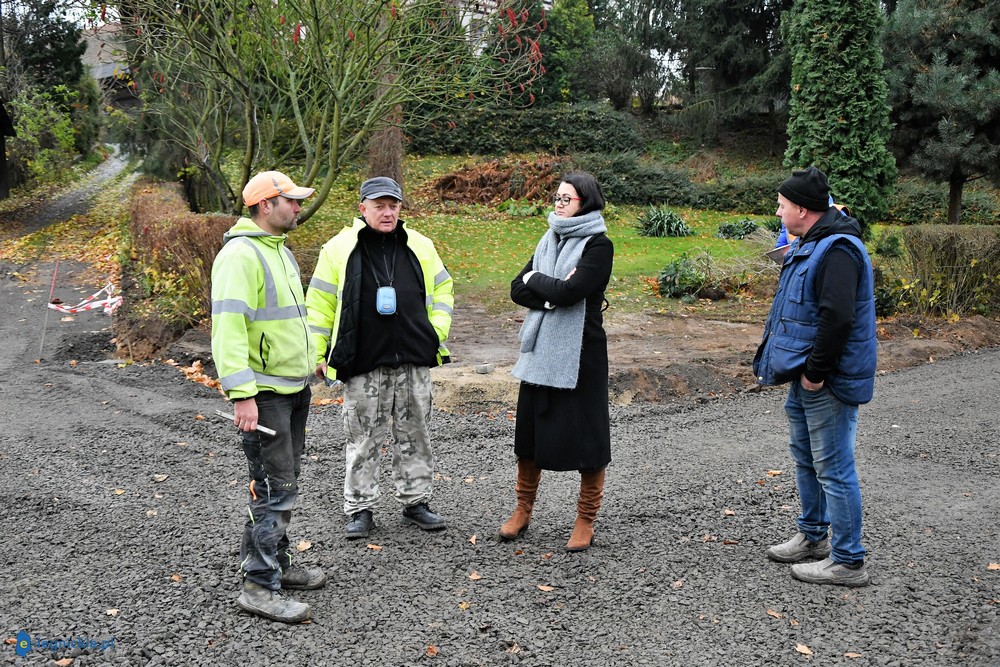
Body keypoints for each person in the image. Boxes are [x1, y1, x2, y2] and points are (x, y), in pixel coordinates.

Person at [306, 176, 454, 540]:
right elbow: (319, 304)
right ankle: (359, 507)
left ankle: (416, 501)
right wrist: (319, 351)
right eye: (379, 206)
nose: (387, 213)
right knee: (363, 437)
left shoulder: (420, 245)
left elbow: (444, 290)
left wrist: (436, 332)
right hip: (363, 358)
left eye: (393, 206)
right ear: (363, 208)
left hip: (414, 356)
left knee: (415, 432)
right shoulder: (338, 248)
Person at [211, 171, 326, 623]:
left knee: (280, 481)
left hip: (292, 388)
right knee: (277, 488)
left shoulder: (278, 251)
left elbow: (288, 320)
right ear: (265, 205)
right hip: (264, 394)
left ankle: (273, 564)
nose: (298, 208)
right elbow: (228, 329)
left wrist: (311, 358)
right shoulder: (240, 256)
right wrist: (242, 395)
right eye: (291, 201)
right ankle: (259, 585)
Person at [753, 166, 877, 587]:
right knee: (808, 458)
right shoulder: (813, 240)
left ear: (802, 210)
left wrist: (816, 374)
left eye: (782, 205)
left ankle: (848, 560)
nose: (777, 211)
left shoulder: (839, 249)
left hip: (826, 379)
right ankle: (813, 537)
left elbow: (838, 318)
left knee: (834, 467)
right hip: (805, 374)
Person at [498, 171, 614, 552]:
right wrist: (545, 290)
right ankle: (522, 511)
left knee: (587, 439)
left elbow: (572, 291)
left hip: (581, 354)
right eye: (557, 198)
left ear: (587, 202)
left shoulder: (599, 246)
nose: (558, 205)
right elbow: (518, 288)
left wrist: (538, 280)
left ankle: (585, 520)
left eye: (567, 199)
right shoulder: (547, 239)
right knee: (529, 436)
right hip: (540, 354)